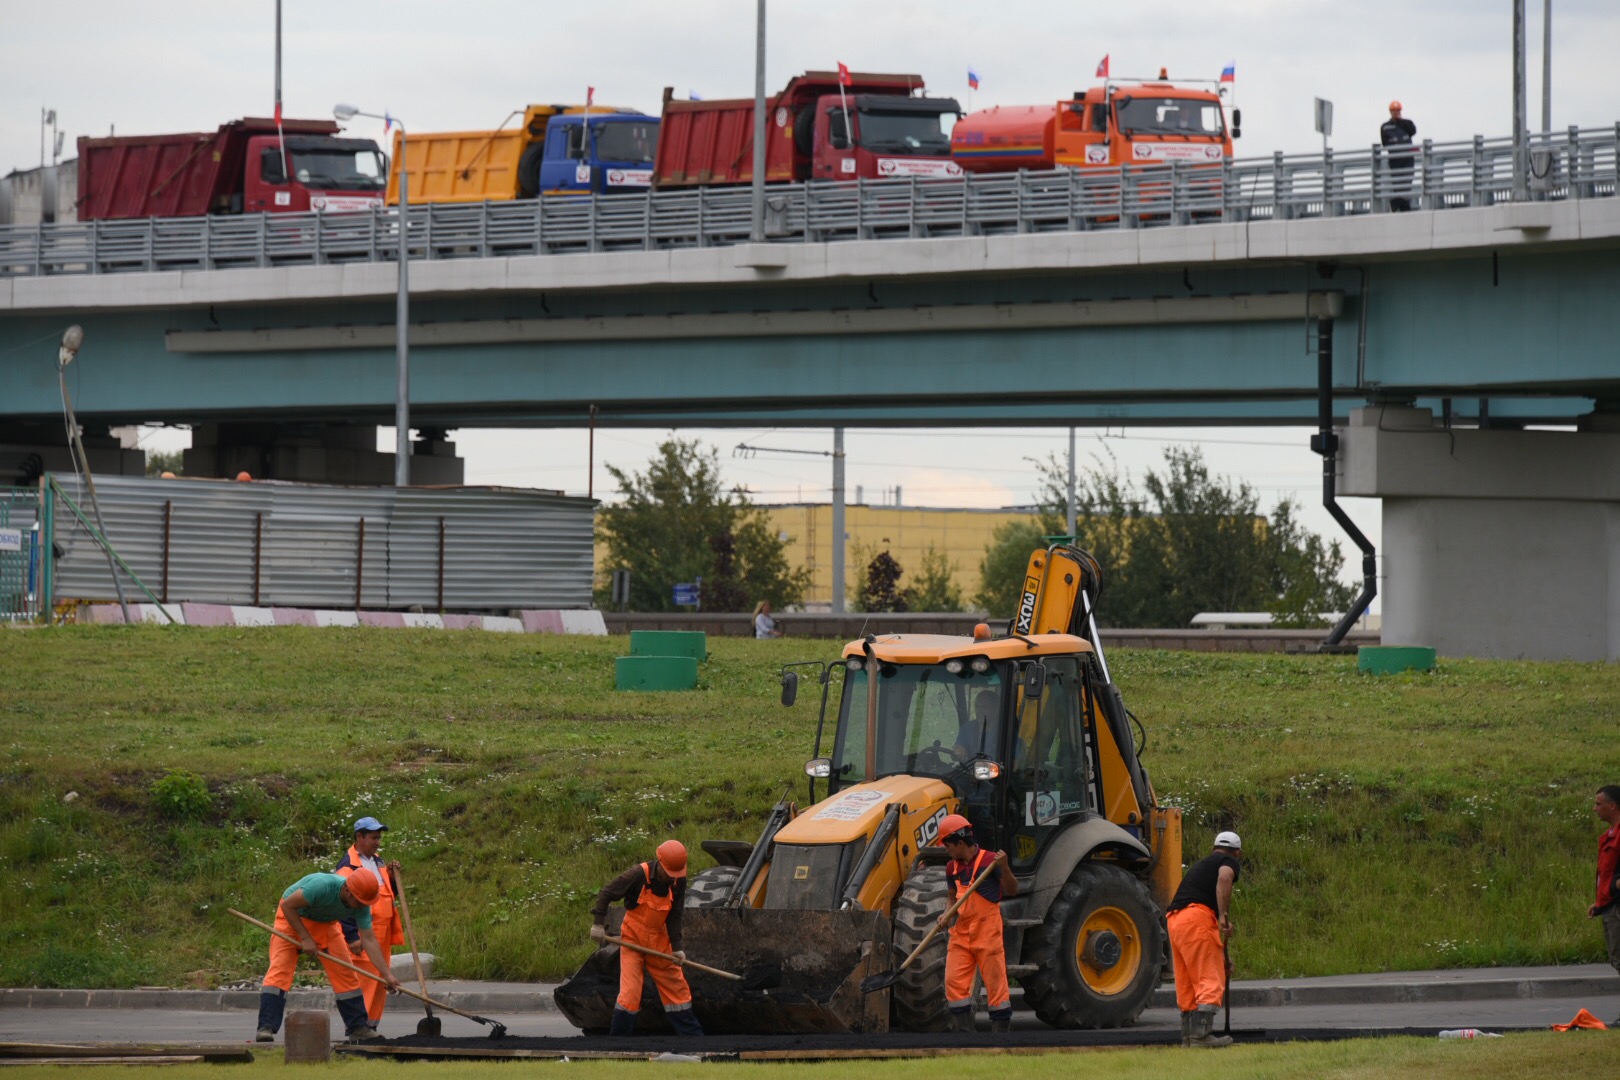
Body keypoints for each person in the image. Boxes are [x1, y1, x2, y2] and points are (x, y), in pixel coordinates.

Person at [255, 868, 401, 1043]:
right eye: (360, 901)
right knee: (280, 970)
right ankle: (266, 1027)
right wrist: (305, 937)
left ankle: (358, 1028)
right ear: (347, 891)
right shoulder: (321, 886)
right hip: (292, 918)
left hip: (326, 924)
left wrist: (387, 974)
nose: (362, 906)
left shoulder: (362, 905)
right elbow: (287, 905)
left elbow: (369, 940)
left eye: (365, 903)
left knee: (346, 974)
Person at [589, 839, 704, 1036]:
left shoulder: (678, 880)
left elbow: (675, 914)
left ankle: (694, 1039)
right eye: (669, 875)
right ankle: (617, 1043)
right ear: (659, 863)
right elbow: (606, 893)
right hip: (632, 939)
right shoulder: (637, 875)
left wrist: (677, 947)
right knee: (630, 992)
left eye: (675, 875)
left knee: (677, 989)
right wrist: (598, 924)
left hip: (659, 939)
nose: (672, 879)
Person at [936, 813, 1018, 1033]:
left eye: (947, 845)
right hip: (962, 930)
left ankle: (1000, 1039)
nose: (946, 850)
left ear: (960, 843)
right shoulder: (951, 868)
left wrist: (1006, 866)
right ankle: (965, 1036)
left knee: (995, 983)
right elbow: (952, 897)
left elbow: (1012, 889)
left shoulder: (991, 861)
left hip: (987, 928)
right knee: (953, 981)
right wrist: (946, 914)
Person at [1166, 830, 1242, 1048]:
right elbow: (1225, 877)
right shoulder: (1228, 861)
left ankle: (1189, 1038)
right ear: (1238, 853)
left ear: (1214, 848)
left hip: (1175, 919)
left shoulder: (1202, 865)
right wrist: (1223, 916)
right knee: (1209, 978)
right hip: (1196, 916)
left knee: (1188, 980)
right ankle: (1202, 1037)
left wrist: (1223, 960)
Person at [335, 816, 405, 1026]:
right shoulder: (348, 866)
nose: (378, 841)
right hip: (364, 932)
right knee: (365, 981)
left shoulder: (378, 861)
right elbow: (343, 903)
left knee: (381, 981)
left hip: (382, 934)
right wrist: (352, 936)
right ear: (359, 837)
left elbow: (387, 894)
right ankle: (358, 1029)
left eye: (379, 837)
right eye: (374, 837)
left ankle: (372, 1026)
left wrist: (392, 879)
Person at [1589, 785, 1620, 1023]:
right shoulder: (1611, 834)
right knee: (1616, 959)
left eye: (1599, 804)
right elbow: (1607, 873)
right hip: (1609, 906)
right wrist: (1600, 902)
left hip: (1617, 906)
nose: (1595, 808)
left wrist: (1612, 890)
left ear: (1613, 806)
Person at [1380, 101, 1418, 212]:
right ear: (1390, 112)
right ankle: (1405, 210)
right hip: (1395, 160)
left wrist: (1400, 121)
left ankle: (1394, 205)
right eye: (1394, 111)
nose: (1396, 113)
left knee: (1406, 185)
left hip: (1408, 159)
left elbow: (1413, 131)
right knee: (1398, 186)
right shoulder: (1385, 127)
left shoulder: (1407, 123)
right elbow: (1385, 143)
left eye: (1398, 110)